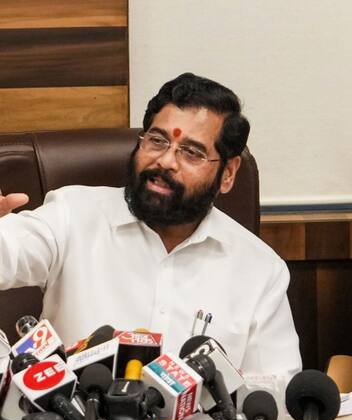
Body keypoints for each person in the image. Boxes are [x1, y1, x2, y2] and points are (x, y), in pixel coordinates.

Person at [0, 72, 302, 380]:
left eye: (192, 152)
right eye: (157, 141)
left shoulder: (260, 270)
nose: (166, 161)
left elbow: (274, 390)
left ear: (228, 174)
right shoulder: (72, 214)